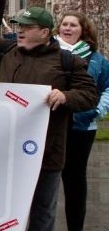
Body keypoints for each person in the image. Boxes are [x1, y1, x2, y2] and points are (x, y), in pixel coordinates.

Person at [0, 0, 98, 231]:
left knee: (42, 213)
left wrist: (66, 96)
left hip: (47, 152)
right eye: (19, 25)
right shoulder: (7, 53)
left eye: (27, 27)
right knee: (5, 210)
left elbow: (90, 95)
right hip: (7, 150)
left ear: (44, 32)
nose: (20, 30)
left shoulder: (67, 61)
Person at [54, 12, 109, 231]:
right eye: (64, 24)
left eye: (73, 25)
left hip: (82, 127)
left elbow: (106, 87)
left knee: (75, 180)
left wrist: (97, 110)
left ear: (83, 30)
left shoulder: (96, 59)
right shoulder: (49, 53)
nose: (67, 28)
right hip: (51, 126)